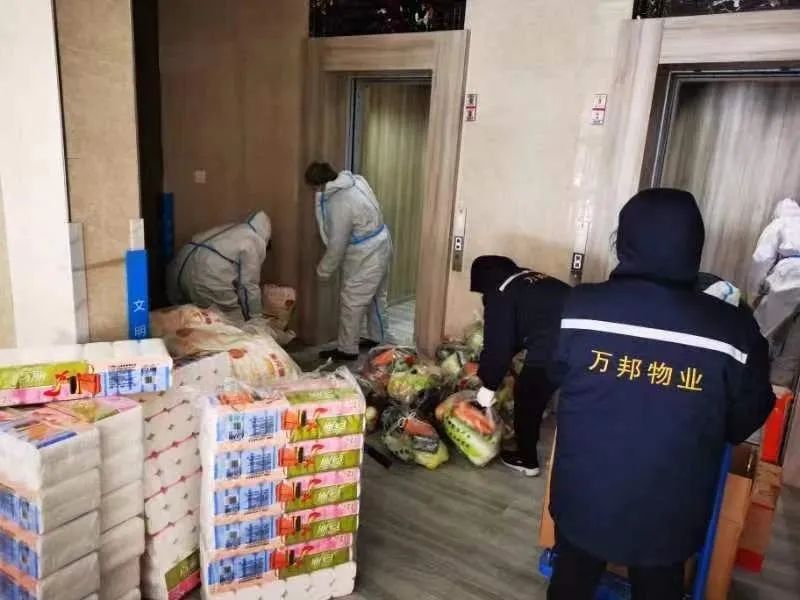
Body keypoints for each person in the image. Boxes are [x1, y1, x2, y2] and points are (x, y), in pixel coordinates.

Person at [548, 189, 774, 600]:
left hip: (584, 495)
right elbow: (748, 415)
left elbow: (554, 374)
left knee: (571, 581)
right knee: (660, 586)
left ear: (625, 240)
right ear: (693, 246)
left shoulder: (578, 307)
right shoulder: (734, 330)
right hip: (671, 508)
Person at [470, 255, 570, 476]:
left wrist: (488, 385)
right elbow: (522, 328)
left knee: (527, 394)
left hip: (555, 343)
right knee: (547, 390)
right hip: (587, 339)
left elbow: (498, 344)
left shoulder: (500, 294)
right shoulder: (528, 279)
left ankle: (526, 460)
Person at [305, 162, 393, 361]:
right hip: (381, 241)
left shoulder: (339, 202)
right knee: (376, 296)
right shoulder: (356, 180)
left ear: (318, 184)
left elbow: (337, 245)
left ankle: (347, 349)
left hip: (367, 253)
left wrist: (323, 270)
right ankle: (377, 338)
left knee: (352, 300)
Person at [167, 211, 271, 321]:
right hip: (206, 278)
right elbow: (248, 286)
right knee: (233, 324)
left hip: (178, 271)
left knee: (186, 320)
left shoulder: (231, 229)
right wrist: (256, 319)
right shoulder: (254, 240)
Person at [749, 197, 800, 339]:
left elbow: (761, 259)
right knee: (791, 338)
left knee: (761, 329)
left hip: (791, 275)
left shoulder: (779, 224)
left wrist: (754, 292)